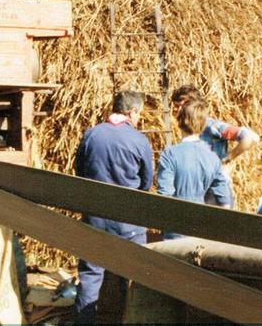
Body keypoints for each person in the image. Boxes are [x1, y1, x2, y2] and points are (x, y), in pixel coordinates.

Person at [73, 90, 153, 324]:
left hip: (96, 218)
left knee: (90, 277)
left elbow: (80, 173)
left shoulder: (92, 134)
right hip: (129, 222)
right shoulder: (139, 140)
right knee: (132, 277)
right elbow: (146, 183)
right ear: (132, 111)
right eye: (139, 114)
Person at [156, 99, 232, 239]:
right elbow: (224, 200)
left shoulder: (170, 154)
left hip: (175, 227)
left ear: (179, 121)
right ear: (203, 125)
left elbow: (164, 195)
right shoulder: (212, 157)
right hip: (201, 226)